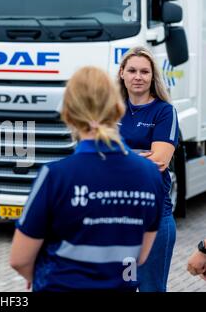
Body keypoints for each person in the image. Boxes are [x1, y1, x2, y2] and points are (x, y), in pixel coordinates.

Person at [10, 66, 165, 291]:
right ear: (117, 109)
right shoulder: (150, 174)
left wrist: (39, 274)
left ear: (68, 114)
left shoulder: (55, 176)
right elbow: (139, 256)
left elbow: (19, 259)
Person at [118, 46, 179, 292]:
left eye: (145, 71)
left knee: (150, 289)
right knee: (123, 285)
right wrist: (138, 155)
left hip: (153, 222)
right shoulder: (111, 110)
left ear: (153, 76)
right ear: (122, 73)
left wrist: (116, 157)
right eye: (132, 70)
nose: (138, 76)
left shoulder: (164, 111)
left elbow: (159, 162)